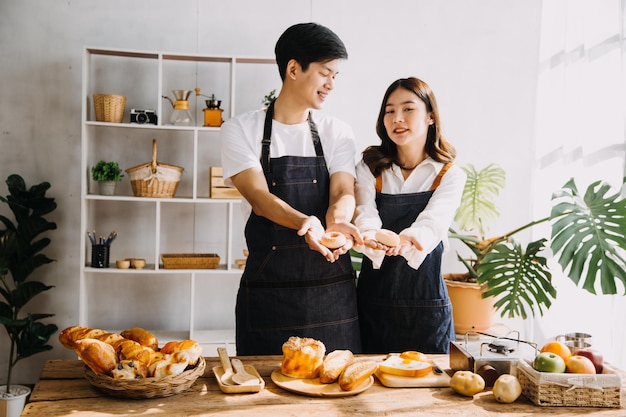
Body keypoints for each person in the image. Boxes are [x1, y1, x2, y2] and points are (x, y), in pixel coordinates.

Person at [220, 23, 363, 355]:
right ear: (293, 69)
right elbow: (260, 198)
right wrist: (307, 223)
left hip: (332, 299)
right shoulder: (240, 129)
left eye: (335, 77)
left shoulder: (337, 131)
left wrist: (338, 220)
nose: (330, 85)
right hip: (270, 299)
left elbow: (343, 191)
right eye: (325, 73)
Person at [353, 77, 466, 354]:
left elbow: (432, 223)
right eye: (389, 111)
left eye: (408, 109)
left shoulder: (448, 174)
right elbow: (364, 212)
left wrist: (407, 241)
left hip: (427, 306)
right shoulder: (370, 167)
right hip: (373, 304)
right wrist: (372, 236)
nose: (397, 118)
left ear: (430, 116)